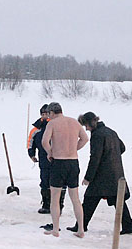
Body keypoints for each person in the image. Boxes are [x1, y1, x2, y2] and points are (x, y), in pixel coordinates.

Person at [66, 112, 132, 235]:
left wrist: (88, 177)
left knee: (89, 200)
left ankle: (81, 225)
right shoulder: (111, 131)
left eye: (86, 125)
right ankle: (128, 225)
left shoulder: (97, 135)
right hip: (115, 173)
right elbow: (122, 147)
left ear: (91, 123)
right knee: (117, 200)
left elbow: (95, 158)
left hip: (101, 176)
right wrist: (112, 157)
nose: (86, 128)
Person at [41, 102, 89, 238]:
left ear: (51, 113)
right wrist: (74, 148)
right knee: (75, 198)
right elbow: (85, 139)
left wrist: (50, 152)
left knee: (55, 197)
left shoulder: (52, 123)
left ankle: (55, 229)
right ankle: (80, 229)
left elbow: (45, 142)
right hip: (73, 162)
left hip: (59, 162)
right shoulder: (74, 122)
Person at [28, 104, 66, 214]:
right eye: (43, 114)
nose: (45, 116)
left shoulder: (56, 125)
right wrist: (31, 154)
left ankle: (59, 205)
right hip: (43, 158)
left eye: (47, 114)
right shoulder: (36, 128)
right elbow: (31, 143)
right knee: (45, 181)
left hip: (58, 158)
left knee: (59, 181)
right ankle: (46, 203)